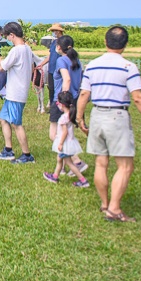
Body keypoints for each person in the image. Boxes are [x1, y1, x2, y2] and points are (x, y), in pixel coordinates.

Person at [76, 26, 141, 223]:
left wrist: (79, 118)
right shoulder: (128, 67)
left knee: (101, 162)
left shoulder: (93, 66)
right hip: (117, 115)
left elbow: (84, 94)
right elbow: (137, 97)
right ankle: (114, 209)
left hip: (97, 114)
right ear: (125, 45)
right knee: (125, 165)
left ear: (105, 42)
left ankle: (105, 203)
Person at [0, 21, 43, 164]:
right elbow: (38, 62)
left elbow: (2, 67)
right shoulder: (27, 49)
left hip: (16, 93)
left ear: (12, 35)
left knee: (16, 124)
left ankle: (27, 155)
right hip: (15, 92)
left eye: (7, 36)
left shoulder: (17, 50)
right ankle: (8, 150)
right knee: (3, 118)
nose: (7, 39)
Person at [50, 35, 87, 175]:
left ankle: (76, 161)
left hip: (62, 100)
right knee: (64, 132)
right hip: (74, 99)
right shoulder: (76, 60)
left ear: (59, 47)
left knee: (54, 134)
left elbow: (67, 79)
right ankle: (65, 166)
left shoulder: (61, 60)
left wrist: (62, 99)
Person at [43, 91, 89, 188]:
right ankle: (55, 176)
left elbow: (65, 132)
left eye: (58, 103)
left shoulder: (63, 118)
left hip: (65, 143)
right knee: (59, 159)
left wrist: (60, 143)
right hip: (69, 142)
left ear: (62, 105)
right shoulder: (70, 115)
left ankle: (83, 180)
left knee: (69, 163)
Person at [46, 23, 65, 103]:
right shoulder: (54, 42)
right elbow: (50, 56)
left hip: (60, 68)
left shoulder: (64, 41)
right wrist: (41, 64)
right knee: (51, 88)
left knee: (59, 88)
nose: (54, 32)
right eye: (53, 31)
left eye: (55, 31)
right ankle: (52, 104)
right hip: (51, 68)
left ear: (59, 31)